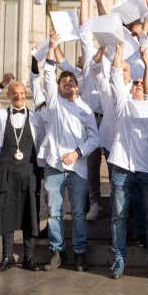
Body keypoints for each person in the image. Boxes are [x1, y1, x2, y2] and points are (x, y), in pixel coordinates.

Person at [100, 44, 148, 279]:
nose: (137, 86)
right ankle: (118, 259)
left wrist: (147, 64)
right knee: (118, 214)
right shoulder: (122, 105)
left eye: (140, 84)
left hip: (146, 169)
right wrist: (117, 55)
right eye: (134, 84)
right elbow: (116, 78)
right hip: (121, 167)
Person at [41, 44, 100, 272]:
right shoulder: (54, 104)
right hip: (54, 166)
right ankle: (57, 250)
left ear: (77, 86)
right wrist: (51, 50)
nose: (68, 84)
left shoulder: (85, 109)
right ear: (58, 87)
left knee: (77, 212)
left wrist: (76, 152)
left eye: (71, 82)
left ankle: (79, 252)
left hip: (78, 168)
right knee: (54, 212)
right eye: (63, 82)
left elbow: (94, 139)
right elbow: (47, 76)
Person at [0, 73, 44, 274]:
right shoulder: (0, 115)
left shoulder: (35, 118)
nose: (18, 96)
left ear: (26, 94)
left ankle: (28, 256)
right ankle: (7, 257)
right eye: (14, 93)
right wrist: (0, 84)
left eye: (21, 93)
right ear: (8, 95)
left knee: (30, 213)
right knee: (6, 213)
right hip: (6, 171)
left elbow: (40, 143)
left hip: (29, 171)